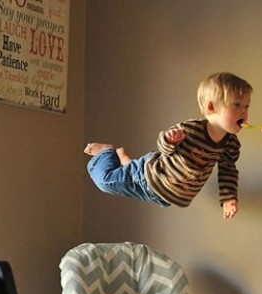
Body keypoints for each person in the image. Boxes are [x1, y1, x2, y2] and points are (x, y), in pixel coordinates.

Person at [85, 72, 253, 219]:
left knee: (126, 178)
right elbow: (164, 149)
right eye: (237, 105)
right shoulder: (191, 129)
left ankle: (125, 160)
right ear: (211, 107)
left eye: (246, 106)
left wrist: (228, 198)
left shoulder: (230, 143)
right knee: (106, 182)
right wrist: (170, 140)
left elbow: (228, 171)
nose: (244, 112)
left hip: (162, 196)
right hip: (149, 177)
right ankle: (106, 152)